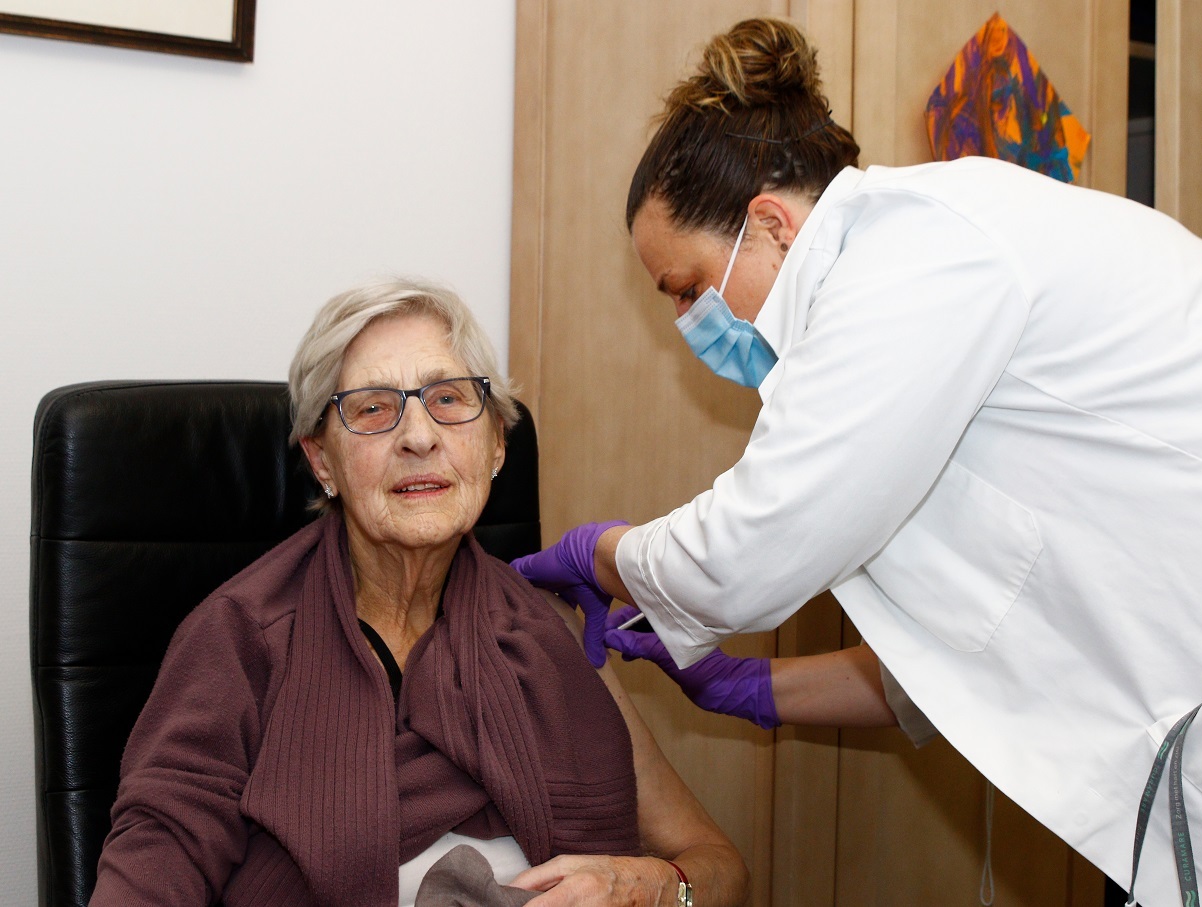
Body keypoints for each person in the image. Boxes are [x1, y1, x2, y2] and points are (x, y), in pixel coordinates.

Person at [511, 16, 1202, 906]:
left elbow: (743, 554)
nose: (689, 323)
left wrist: (602, 553)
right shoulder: (897, 345)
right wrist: (753, 686)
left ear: (769, 223)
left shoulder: (921, 256)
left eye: (689, 288)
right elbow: (960, 650)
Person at [90, 278, 749, 907]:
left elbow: (718, 863)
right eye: (373, 408)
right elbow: (156, 858)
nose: (419, 436)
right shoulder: (240, 639)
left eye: (450, 400)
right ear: (323, 460)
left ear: (496, 444)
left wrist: (655, 885)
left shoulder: (553, 633)